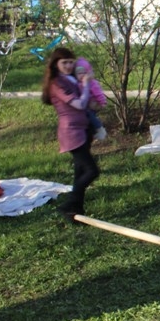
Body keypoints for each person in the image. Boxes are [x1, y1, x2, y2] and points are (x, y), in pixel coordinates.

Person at [41, 47, 100, 221]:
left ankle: (75, 212)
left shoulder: (72, 79)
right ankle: (70, 202)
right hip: (71, 132)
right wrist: (88, 83)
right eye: (64, 62)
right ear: (55, 64)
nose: (68, 65)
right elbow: (80, 105)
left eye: (70, 62)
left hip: (84, 128)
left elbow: (88, 102)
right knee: (92, 171)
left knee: (80, 172)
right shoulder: (56, 84)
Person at [74, 57, 108, 141]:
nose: (81, 75)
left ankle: (100, 128)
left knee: (89, 115)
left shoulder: (92, 83)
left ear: (88, 73)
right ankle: (92, 133)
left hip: (92, 104)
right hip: (84, 104)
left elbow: (98, 93)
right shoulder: (76, 83)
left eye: (84, 73)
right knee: (87, 119)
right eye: (79, 73)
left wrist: (102, 102)